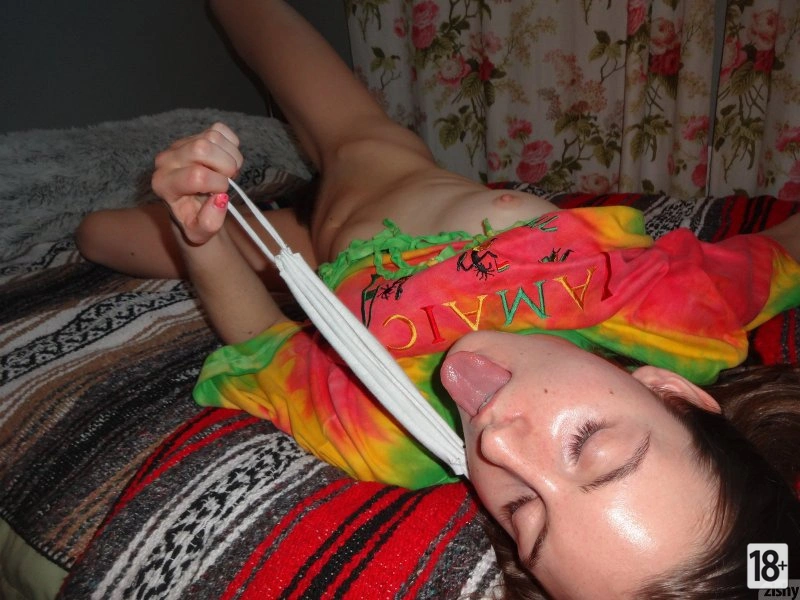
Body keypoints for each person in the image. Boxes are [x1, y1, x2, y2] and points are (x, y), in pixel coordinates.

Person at [75, 0, 800, 597]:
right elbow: (784, 250)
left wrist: (200, 235)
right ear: (671, 392)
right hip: (371, 158)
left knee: (97, 235)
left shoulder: (395, 436)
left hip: (301, 254)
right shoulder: (679, 314)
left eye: (524, 513)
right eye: (587, 445)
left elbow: (263, 340)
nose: (497, 445)